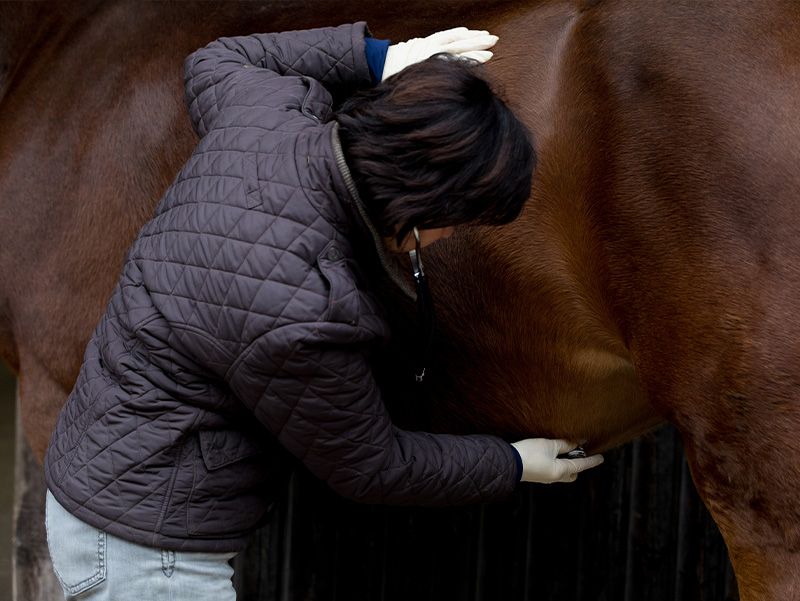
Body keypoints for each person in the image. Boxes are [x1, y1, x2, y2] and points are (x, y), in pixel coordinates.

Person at [44, 23, 603, 601]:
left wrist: (380, 59)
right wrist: (512, 463)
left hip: (100, 480)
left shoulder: (261, 115)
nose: (451, 235)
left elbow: (220, 56)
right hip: (144, 549)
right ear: (417, 207)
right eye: (457, 221)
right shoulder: (303, 313)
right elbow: (373, 465)